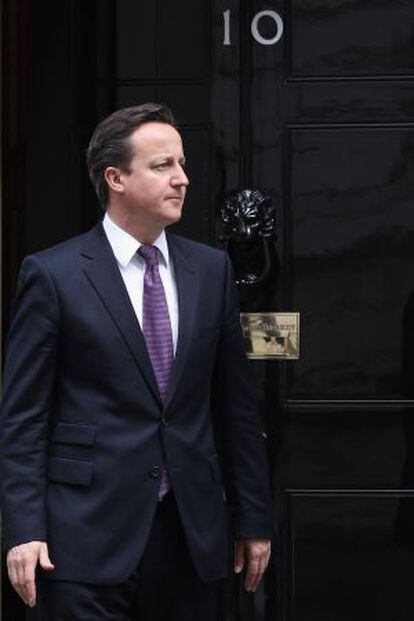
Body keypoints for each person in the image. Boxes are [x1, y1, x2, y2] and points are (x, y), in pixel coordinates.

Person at [0, 103, 272, 620]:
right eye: (163, 165)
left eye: (182, 164)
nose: (183, 179)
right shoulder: (54, 276)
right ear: (115, 178)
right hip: (82, 538)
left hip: (191, 536)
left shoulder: (211, 271)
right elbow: (23, 418)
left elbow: (235, 406)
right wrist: (24, 530)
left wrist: (253, 517)